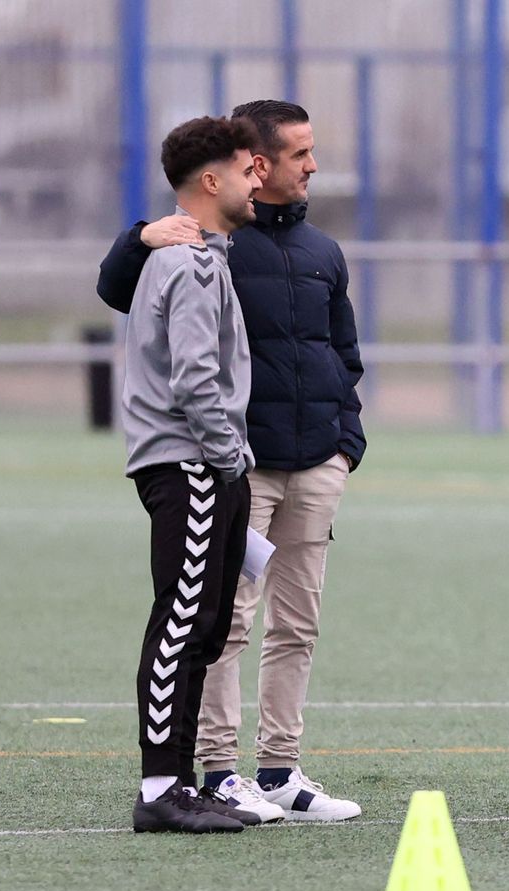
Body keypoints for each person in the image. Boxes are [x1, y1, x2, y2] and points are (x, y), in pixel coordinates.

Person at [98, 100, 365, 823]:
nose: (309, 166)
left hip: (288, 461)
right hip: (215, 464)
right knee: (200, 623)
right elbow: (184, 367)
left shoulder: (307, 252)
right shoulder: (188, 252)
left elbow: (342, 353)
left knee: (242, 622)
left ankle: (263, 773)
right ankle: (190, 779)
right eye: (290, 156)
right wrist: (226, 458)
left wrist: (347, 438)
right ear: (240, 171)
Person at [124, 116, 261, 833]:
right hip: (192, 462)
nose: (255, 180)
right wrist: (227, 455)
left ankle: (177, 781)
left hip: (202, 460)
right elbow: (194, 379)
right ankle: (158, 789)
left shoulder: (207, 257)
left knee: (202, 625)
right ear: (213, 182)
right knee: (181, 625)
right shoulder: (190, 262)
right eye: (245, 169)